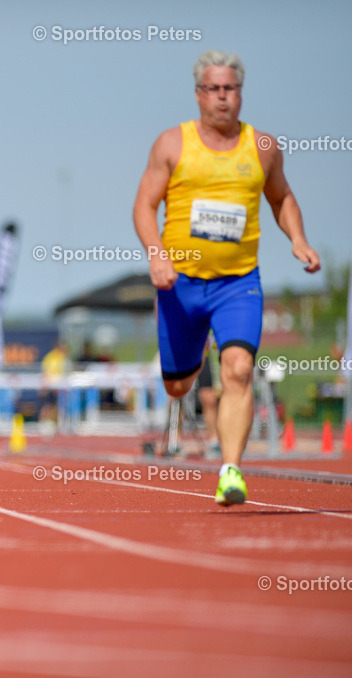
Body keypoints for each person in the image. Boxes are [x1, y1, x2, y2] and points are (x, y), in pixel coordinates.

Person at [134, 50, 320, 506]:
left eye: (230, 89)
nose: (223, 97)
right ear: (199, 94)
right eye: (213, 89)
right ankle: (195, 353)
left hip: (238, 283)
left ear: (241, 93)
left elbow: (283, 198)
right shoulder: (172, 144)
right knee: (178, 385)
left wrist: (298, 238)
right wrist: (156, 254)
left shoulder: (262, 148)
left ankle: (231, 470)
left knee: (238, 370)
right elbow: (144, 205)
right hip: (181, 284)